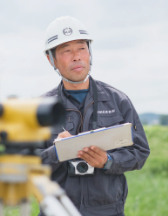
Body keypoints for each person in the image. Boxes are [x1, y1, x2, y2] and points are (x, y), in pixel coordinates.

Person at [39, 16, 150, 216]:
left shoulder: (118, 101)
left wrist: (108, 160)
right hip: (56, 211)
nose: (76, 56)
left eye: (81, 48)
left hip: (108, 211)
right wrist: (55, 153)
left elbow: (140, 152)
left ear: (90, 52)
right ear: (51, 59)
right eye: (66, 50)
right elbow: (23, 163)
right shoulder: (40, 109)